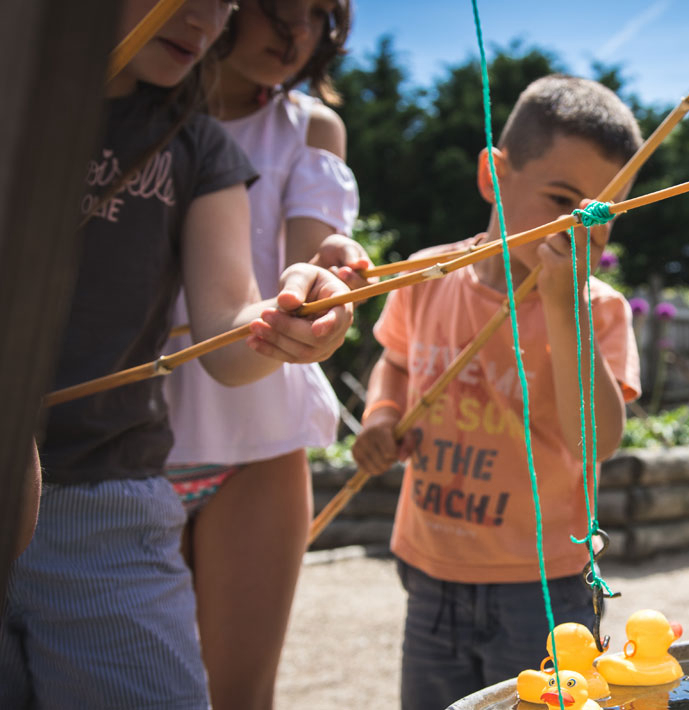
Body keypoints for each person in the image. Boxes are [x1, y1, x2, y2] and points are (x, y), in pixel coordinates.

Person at [0, 1, 354, 707]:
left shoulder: (200, 146)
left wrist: (289, 317)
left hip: (109, 494)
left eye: (221, 0)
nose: (202, 18)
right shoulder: (20, 102)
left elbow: (228, 329)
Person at [351, 74, 643, 709]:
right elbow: (394, 362)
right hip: (431, 567)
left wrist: (565, 308)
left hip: (545, 585)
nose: (580, 228)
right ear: (494, 175)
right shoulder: (427, 276)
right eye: (562, 199)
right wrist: (382, 414)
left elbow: (596, 441)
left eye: (603, 214)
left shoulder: (598, 310)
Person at [159, 0, 363, 705]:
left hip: (259, 443)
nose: (298, 33)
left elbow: (303, 271)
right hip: (125, 442)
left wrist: (320, 288)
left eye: (319, 14)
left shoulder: (311, 127)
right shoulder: (128, 109)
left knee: (240, 696)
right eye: (279, 8)